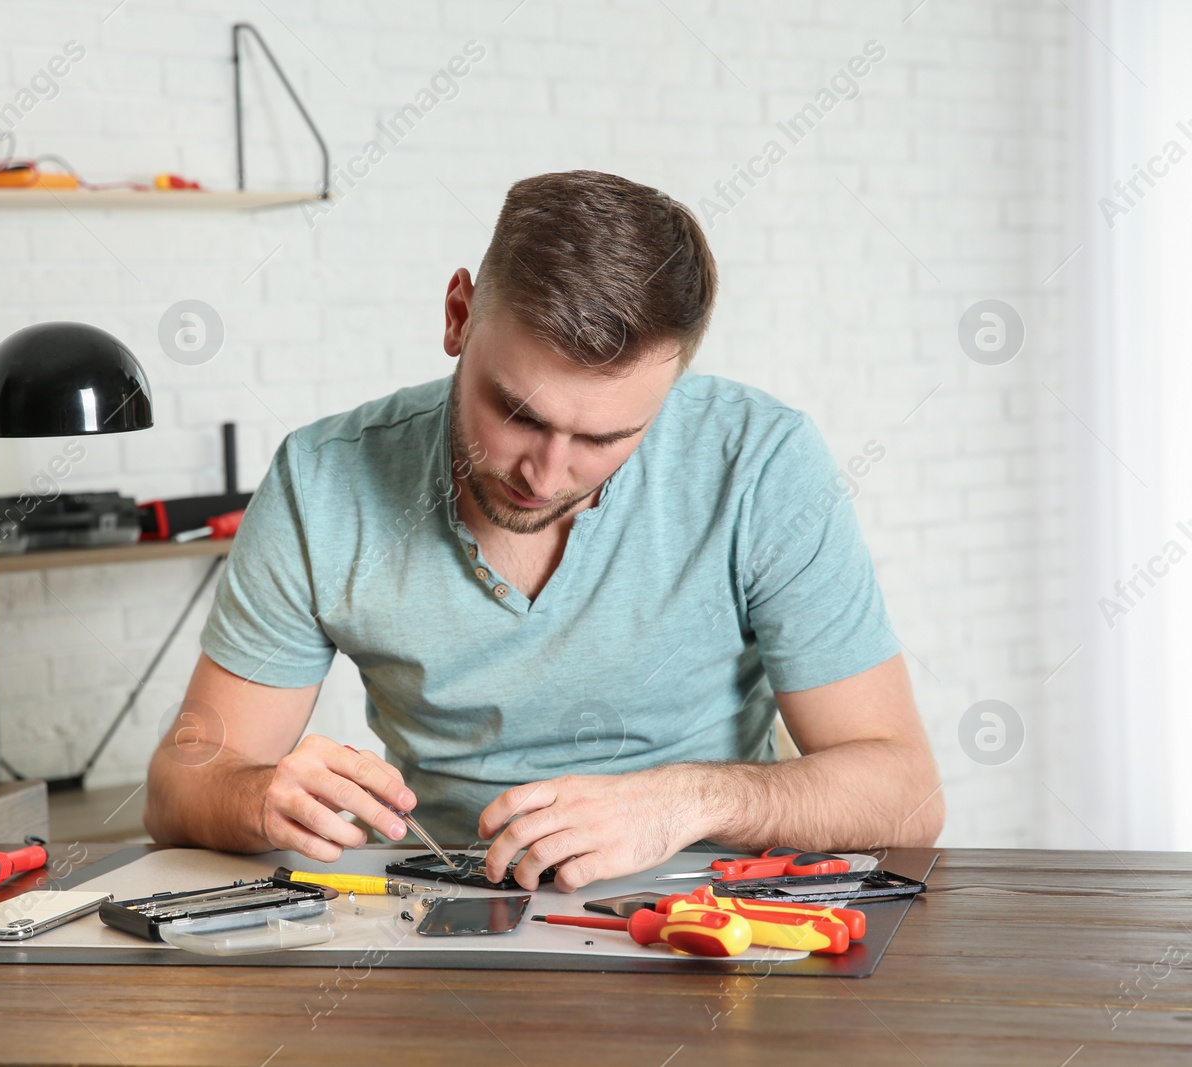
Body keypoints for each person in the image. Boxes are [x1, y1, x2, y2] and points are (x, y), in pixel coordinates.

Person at [143, 170, 943, 893]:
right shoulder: (322, 481)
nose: (546, 474)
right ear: (459, 316)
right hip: (443, 917)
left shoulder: (760, 461)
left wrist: (685, 801)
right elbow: (178, 788)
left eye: (605, 440)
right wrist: (259, 796)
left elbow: (906, 795)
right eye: (518, 414)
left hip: (710, 927)